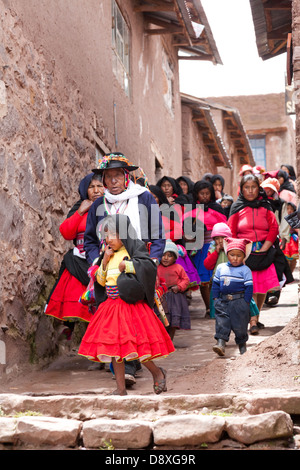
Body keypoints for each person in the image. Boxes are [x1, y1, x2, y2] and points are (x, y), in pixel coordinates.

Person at [84, 153, 166, 385]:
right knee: (114, 317)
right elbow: (90, 238)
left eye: (117, 176)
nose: (112, 181)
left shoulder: (144, 199)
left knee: (137, 316)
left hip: (138, 263)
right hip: (109, 264)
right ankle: (125, 369)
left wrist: (153, 261)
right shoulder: (99, 205)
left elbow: (157, 234)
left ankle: (140, 364)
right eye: (107, 177)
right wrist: (96, 262)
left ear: (126, 176)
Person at [78, 214, 175, 395]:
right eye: (106, 236)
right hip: (111, 307)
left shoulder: (134, 251)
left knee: (136, 346)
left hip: (130, 307)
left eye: (113, 235)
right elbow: (100, 281)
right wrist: (104, 263)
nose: (108, 240)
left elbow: (148, 268)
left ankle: (157, 372)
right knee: (114, 349)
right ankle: (120, 388)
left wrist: (128, 266)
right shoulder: (106, 255)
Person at [228, 174, 293, 334]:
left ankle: (256, 317)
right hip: (245, 252)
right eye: (246, 188)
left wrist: (265, 247)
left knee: (262, 287)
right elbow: (231, 231)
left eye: (253, 187)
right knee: (249, 287)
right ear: (242, 190)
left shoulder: (266, 206)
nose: (250, 191)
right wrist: (239, 251)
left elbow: (273, 228)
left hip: (264, 250)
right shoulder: (237, 208)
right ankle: (253, 321)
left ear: (259, 189)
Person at [44, 173, 104, 336]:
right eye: (92, 187)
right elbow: (66, 232)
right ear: (85, 190)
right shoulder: (80, 207)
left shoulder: (110, 207)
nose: (96, 190)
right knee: (82, 308)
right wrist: (80, 212)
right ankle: (91, 349)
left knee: (102, 309)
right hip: (79, 261)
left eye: (100, 186)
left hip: (103, 261)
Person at [187, 180, 227, 316]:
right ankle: (209, 308)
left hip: (215, 246)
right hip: (199, 248)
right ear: (196, 194)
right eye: (201, 193)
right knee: (204, 281)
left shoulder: (217, 209)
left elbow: (224, 226)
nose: (204, 196)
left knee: (215, 278)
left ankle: (217, 306)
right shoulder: (191, 210)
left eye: (207, 193)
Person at [212, 237, 253, 356]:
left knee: (240, 325)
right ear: (227, 254)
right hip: (223, 300)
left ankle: (242, 348)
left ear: (243, 256)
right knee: (221, 322)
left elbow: (249, 287)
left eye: (239, 255)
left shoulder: (245, 270)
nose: (235, 258)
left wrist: (246, 302)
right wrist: (216, 298)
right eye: (232, 255)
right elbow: (215, 284)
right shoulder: (221, 267)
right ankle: (220, 344)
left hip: (239, 301)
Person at [157, 240, 191, 340]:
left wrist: (179, 287)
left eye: (169, 255)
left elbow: (186, 279)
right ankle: (164, 340)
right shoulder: (157, 268)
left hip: (175, 297)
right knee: (162, 319)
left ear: (175, 258)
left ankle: (170, 340)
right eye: (163, 255)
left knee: (173, 320)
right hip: (161, 297)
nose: (166, 258)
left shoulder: (178, 268)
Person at [203, 222, 232, 318]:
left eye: (223, 237)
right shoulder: (212, 248)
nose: (220, 241)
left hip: (232, 280)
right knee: (217, 304)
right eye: (216, 238)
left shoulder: (233, 247)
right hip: (217, 281)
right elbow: (207, 265)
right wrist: (216, 252)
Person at [282, 202, 299, 274]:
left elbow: (297, 229)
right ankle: (287, 274)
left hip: (292, 242)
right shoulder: (282, 218)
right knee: (285, 259)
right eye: (287, 208)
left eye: (291, 209)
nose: (289, 210)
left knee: (293, 259)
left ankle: (290, 273)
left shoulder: (294, 219)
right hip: (284, 241)